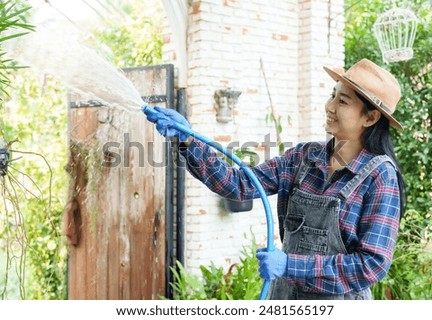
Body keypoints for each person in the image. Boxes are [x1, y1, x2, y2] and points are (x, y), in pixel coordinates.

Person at [145, 58, 406, 300]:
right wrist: (188, 139)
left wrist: (289, 265)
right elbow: (239, 184)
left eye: (343, 101)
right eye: (332, 95)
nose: (330, 107)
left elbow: (371, 264)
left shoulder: (379, 176)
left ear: (370, 117)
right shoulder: (303, 157)